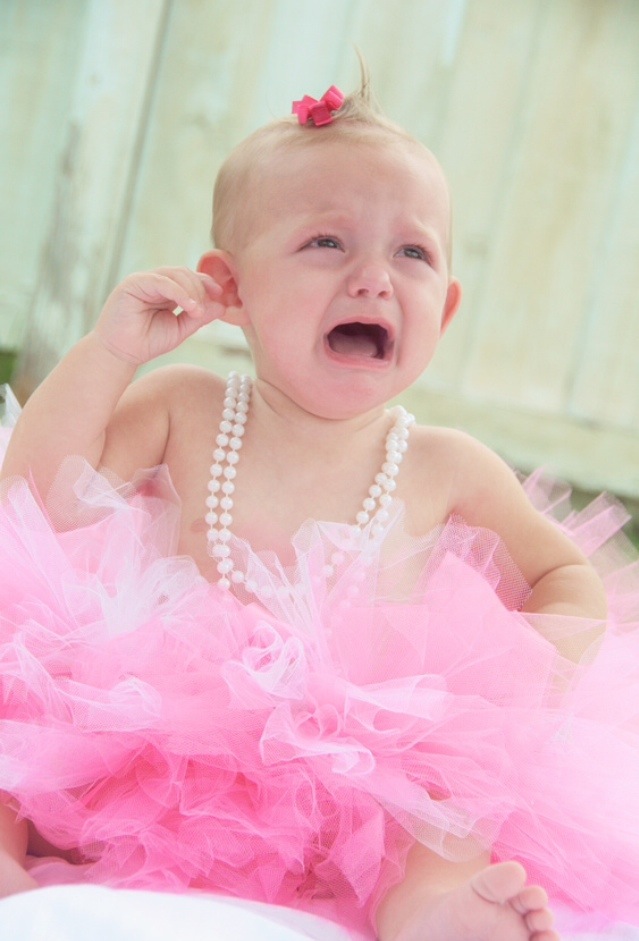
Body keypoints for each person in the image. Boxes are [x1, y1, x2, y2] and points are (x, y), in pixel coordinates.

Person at [0, 76, 637, 941]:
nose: (373, 279)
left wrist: (530, 674)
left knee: (453, 786)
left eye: (412, 254)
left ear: (445, 308)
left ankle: (428, 906)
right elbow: (36, 500)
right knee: (23, 690)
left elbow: (560, 568)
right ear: (231, 287)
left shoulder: (445, 465)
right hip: (155, 731)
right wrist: (109, 354)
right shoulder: (184, 406)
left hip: (354, 767)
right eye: (326, 243)